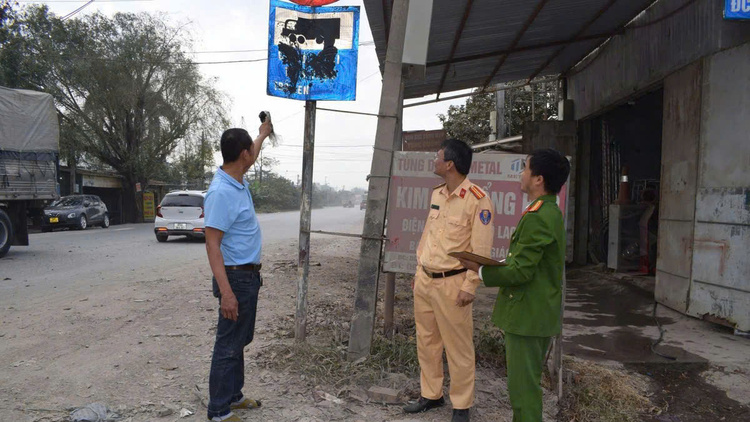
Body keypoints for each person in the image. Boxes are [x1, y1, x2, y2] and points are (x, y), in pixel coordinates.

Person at [458, 148, 570, 422]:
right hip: (534, 314)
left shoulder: (538, 217)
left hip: (528, 317)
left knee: (523, 390)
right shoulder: (546, 212)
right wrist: (498, 263)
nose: (521, 174)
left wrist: (481, 271)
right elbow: (526, 262)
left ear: (538, 179)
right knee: (523, 386)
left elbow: (521, 272)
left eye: (525, 169)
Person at [404, 139, 495, 422]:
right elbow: (429, 235)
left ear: (450, 165)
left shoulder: (478, 200)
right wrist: (419, 270)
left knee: (458, 347)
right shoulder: (438, 194)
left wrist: (470, 286)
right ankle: (431, 395)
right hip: (426, 281)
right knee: (427, 342)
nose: (434, 160)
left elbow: (481, 249)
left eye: (438, 157)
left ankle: (461, 405)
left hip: (453, 284)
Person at [204, 122, 272, 422]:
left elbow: (254, 150)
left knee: (239, 341)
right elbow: (212, 246)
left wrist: (262, 133)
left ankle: (234, 395)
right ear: (243, 155)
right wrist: (227, 294)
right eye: (251, 151)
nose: (253, 155)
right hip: (235, 278)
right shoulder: (221, 192)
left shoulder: (237, 178)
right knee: (228, 344)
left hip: (247, 276)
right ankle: (218, 410)